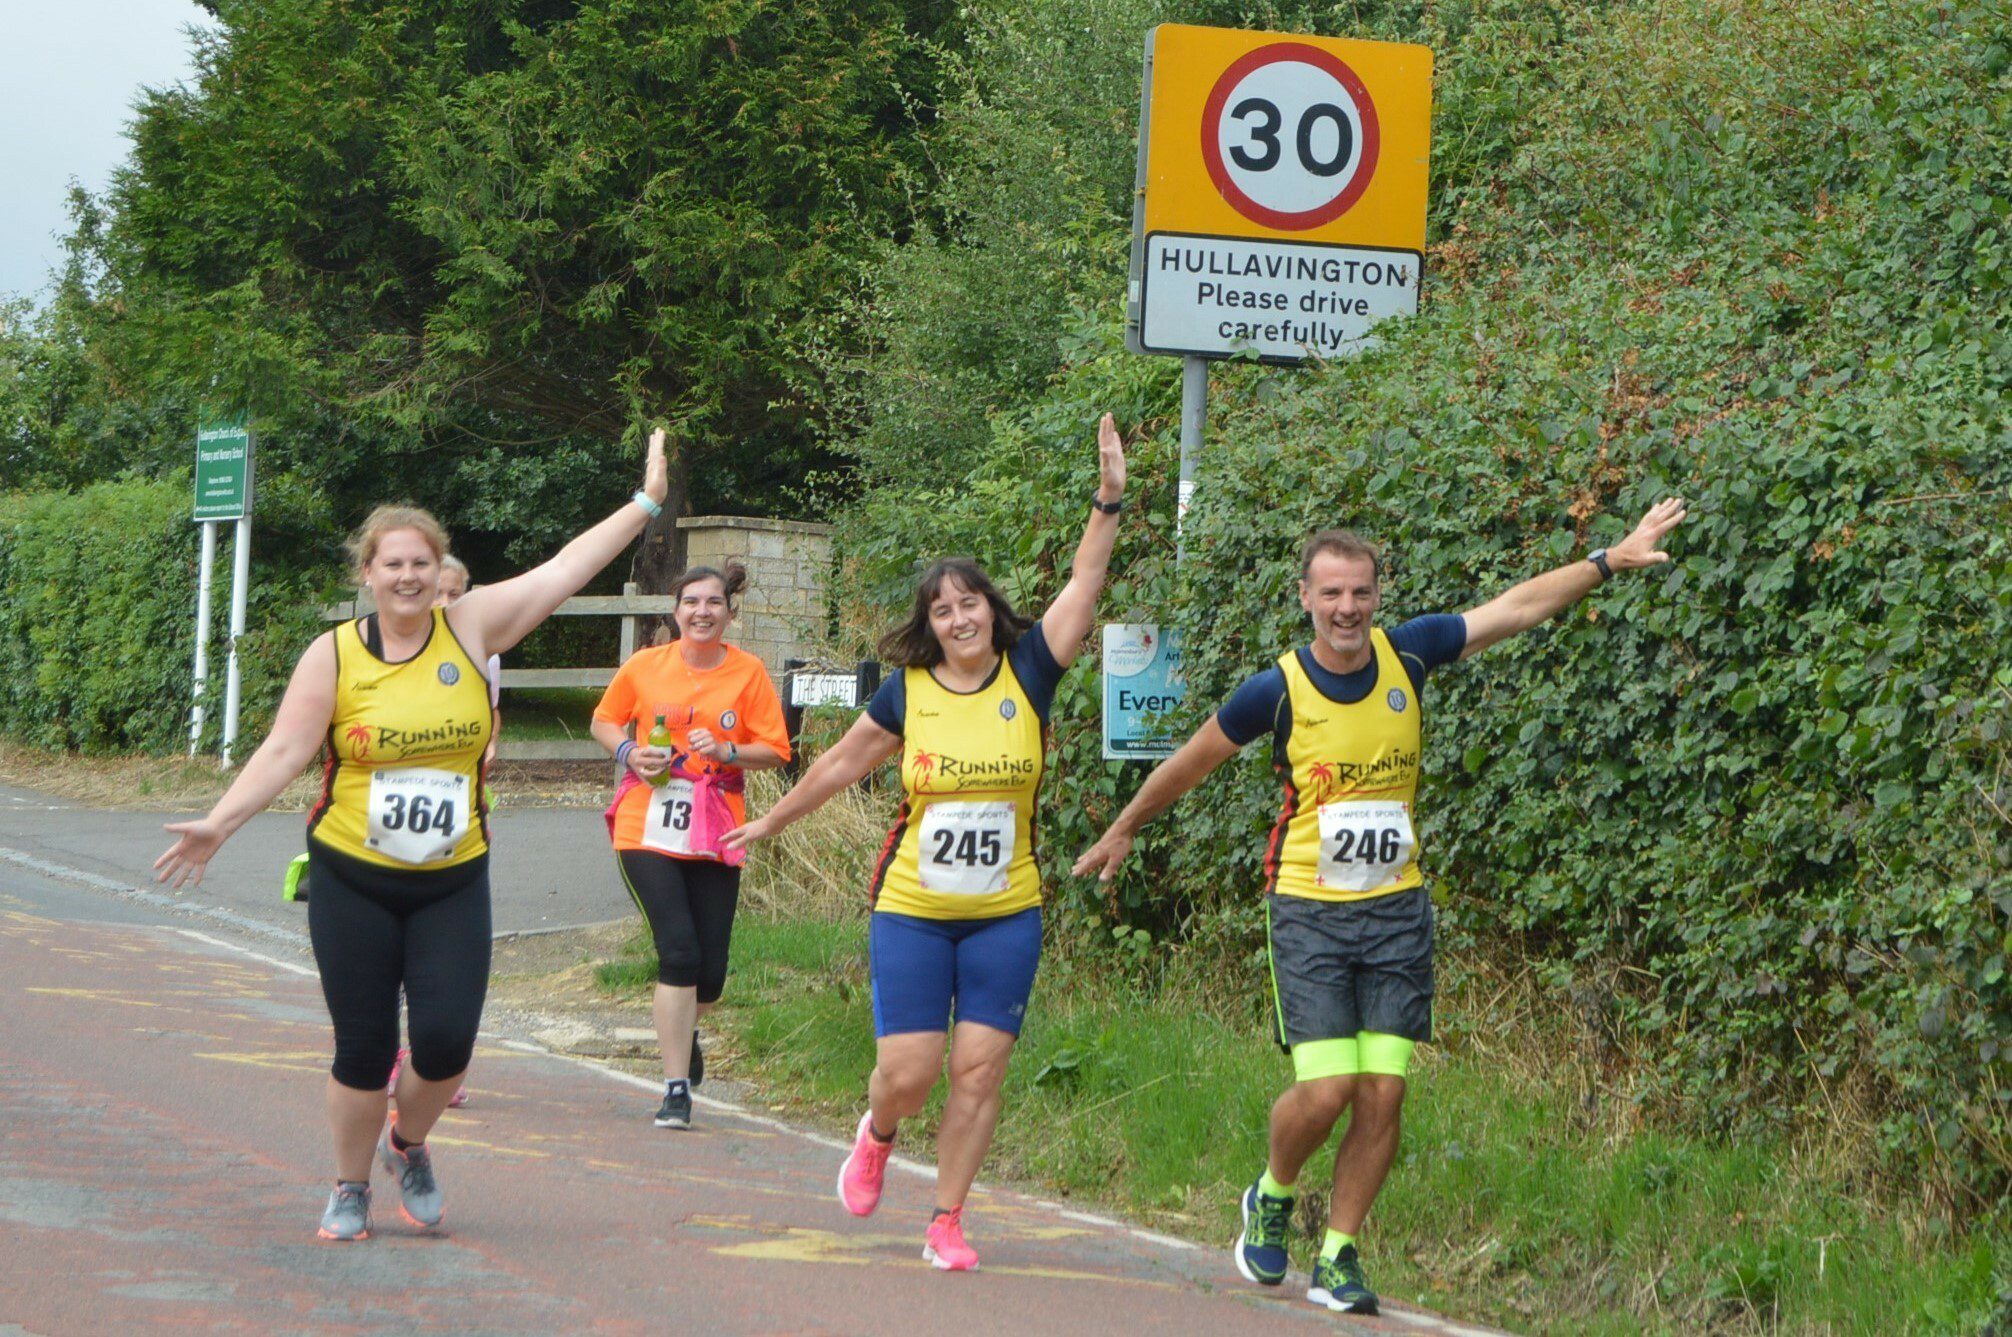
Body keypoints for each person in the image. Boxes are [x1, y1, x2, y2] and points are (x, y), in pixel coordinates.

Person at [1072, 497, 1688, 1315]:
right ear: (1305, 598)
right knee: (1326, 1090)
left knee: (1385, 1090)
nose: (1347, 608)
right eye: (1331, 594)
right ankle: (1273, 1191)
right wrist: (1122, 829)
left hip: (1397, 907)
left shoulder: (1411, 655)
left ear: (1377, 595)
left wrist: (1610, 557)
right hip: (1308, 908)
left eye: (1359, 592)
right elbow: (1193, 761)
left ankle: (1338, 1250)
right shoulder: (1278, 689)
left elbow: (1516, 608)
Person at [155, 428, 670, 1243]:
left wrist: (645, 503)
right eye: (390, 563)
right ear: (367, 574)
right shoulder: (333, 656)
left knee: (444, 1043)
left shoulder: (470, 627)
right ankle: (349, 1184)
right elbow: (286, 749)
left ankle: (409, 1142)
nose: (406, 575)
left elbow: (566, 568)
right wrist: (219, 823)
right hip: (353, 873)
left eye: (420, 562)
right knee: (363, 1047)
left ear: (439, 572)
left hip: (451, 877)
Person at [723, 413, 1128, 1272]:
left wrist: (1108, 501)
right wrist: (769, 820)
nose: (958, 618)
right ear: (931, 624)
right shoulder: (907, 695)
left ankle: (947, 1217)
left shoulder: (1032, 672)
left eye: (969, 602)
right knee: (909, 1072)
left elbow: (1085, 586)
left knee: (979, 1073)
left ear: (991, 608)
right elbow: (835, 765)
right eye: (941, 610)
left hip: (1005, 912)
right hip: (911, 909)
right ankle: (877, 1135)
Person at [589, 562, 791, 1130]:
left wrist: (728, 749)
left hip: (716, 824)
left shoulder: (748, 673)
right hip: (644, 822)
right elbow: (604, 721)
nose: (702, 612)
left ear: (729, 612)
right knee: (677, 953)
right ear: (675, 611)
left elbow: (776, 749)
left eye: (714, 603)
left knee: (711, 973)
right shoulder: (645, 666)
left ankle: (686, 1027)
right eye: (691, 602)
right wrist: (629, 752)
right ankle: (676, 1088)